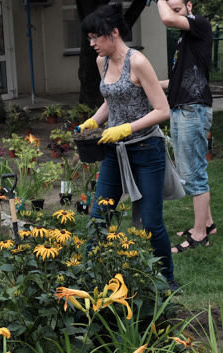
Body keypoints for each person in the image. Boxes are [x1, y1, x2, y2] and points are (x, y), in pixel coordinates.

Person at [78, 4, 178, 290]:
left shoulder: (138, 62)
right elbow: (112, 101)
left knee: (150, 222)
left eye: (96, 37)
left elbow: (162, 110)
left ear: (115, 33)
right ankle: (87, 277)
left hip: (147, 150)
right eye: (89, 38)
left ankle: (167, 280)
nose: (92, 44)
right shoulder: (103, 62)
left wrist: (126, 128)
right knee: (99, 216)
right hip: (114, 151)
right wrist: (92, 121)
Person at [157, 0, 217, 253]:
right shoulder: (185, 39)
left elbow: (167, 20)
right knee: (190, 170)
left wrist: (160, 1)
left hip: (193, 109)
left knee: (194, 174)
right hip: (183, 108)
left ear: (189, 5)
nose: (171, 12)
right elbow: (177, 80)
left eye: (176, 7)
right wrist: (145, 81)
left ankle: (200, 234)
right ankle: (208, 224)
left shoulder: (199, 24)